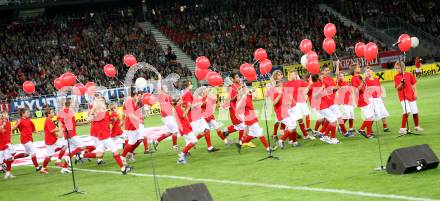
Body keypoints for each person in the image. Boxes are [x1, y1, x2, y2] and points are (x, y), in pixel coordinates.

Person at [82, 96, 133, 174]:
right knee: (115, 151)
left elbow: (110, 121)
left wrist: (113, 119)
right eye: (102, 102)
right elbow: (88, 119)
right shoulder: (97, 114)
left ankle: (82, 155)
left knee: (99, 154)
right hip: (104, 136)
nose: (104, 103)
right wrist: (94, 109)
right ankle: (123, 169)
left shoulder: (105, 112)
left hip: (103, 136)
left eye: (103, 101)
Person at [182, 80, 219, 153]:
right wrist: (200, 103)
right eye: (191, 84)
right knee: (193, 136)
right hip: (194, 117)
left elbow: (185, 105)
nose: (192, 85)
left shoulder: (185, 94)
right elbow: (190, 106)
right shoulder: (188, 94)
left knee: (206, 129)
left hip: (198, 116)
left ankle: (210, 148)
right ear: (187, 86)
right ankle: (186, 151)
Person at [269, 70, 300, 149]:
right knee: (292, 126)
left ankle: (294, 142)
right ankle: (281, 141)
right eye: (279, 75)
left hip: (287, 109)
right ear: (275, 77)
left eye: (281, 74)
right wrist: (280, 94)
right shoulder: (273, 89)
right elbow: (274, 102)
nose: (281, 76)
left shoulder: (283, 85)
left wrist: (292, 102)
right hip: (281, 111)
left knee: (293, 125)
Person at [235, 86, 271, 152]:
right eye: (245, 89)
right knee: (260, 133)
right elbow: (237, 107)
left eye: (246, 89)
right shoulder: (242, 99)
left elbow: (255, 96)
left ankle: (240, 143)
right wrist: (243, 97)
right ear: (243, 91)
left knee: (252, 135)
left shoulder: (248, 96)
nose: (247, 90)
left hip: (252, 116)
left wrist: (254, 90)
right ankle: (268, 148)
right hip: (249, 117)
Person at [310, 73, 340, 144]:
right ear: (317, 77)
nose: (322, 76)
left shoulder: (321, 83)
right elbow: (314, 95)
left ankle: (325, 135)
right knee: (333, 120)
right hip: (321, 106)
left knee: (331, 120)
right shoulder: (314, 84)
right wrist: (321, 88)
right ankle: (332, 138)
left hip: (325, 105)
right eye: (320, 75)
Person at [394, 61, 424, 134]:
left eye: (398, 68)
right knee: (407, 111)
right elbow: (397, 88)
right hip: (403, 96)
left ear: (403, 67)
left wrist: (415, 93)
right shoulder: (396, 76)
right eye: (396, 68)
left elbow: (413, 85)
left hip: (411, 95)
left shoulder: (409, 74)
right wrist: (401, 83)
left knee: (415, 111)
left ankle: (417, 126)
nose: (397, 70)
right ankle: (402, 128)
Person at [151, 82, 179, 152]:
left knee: (170, 132)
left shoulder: (168, 96)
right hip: (166, 117)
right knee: (175, 131)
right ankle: (175, 146)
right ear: (162, 89)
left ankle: (156, 141)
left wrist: (176, 102)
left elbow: (173, 104)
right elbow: (158, 88)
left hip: (169, 116)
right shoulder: (161, 96)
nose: (167, 88)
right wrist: (159, 79)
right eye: (165, 88)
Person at [41, 108, 70, 174]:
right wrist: (59, 128)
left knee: (65, 146)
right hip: (50, 140)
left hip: (53, 138)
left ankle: (58, 161)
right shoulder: (48, 121)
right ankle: (43, 168)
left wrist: (58, 133)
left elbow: (52, 131)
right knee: (49, 156)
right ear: (48, 114)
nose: (53, 113)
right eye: (52, 112)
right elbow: (51, 130)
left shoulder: (49, 120)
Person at [351, 64, 375, 138]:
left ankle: (362, 129)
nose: (359, 68)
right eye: (358, 67)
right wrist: (363, 81)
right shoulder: (354, 78)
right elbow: (356, 90)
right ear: (354, 70)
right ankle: (368, 133)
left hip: (365, 97)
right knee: (369, 116)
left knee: (371, 116)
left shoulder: (359, 77)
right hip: (361, 99)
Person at [173, 97, 198, 164]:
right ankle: (181, 156)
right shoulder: (177, 108)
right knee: (194, 141)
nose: (182, 100)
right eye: (180, 100)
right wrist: (188, 107)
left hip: (185, 127)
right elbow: (183, 116)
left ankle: (182, 158)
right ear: (178, 102)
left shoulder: (178, 108)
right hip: (184, 128)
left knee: (189, 143)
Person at [364, 67, 390, 132]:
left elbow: (379, 88)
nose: (368, 72)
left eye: (369, 71)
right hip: (371, 99)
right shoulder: (365, 80)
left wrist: (381, 97)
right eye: (366, 71)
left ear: (372, 71)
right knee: (372, 114)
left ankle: (385, 127)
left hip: (378, 98)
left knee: (383, 112)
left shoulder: (376, 79)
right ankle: (370, 129)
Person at [223, 73, 247, 142]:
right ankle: (241, 141)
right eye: (236, 77)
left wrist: (244, 88)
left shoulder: (240, 85)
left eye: (238, 77)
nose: (238, 78)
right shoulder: (232, 87)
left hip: (242, 107)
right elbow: (231, 99)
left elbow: (244, 94)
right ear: (232, 79)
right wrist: (237, 94)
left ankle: (226, 131)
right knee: (242, 125)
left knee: (240, 125)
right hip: (234, 108)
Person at [335, 71, 355, 136]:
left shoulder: (346, 83)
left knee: (352, 115)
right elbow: (339, 89)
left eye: (342, 75)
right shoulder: (338, 83)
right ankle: (341, 127)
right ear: (338, 77)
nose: (341, 77)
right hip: (343, 101)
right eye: (340, 76)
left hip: (349, 100)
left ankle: (351, 128)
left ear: (344, 76)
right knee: (346, 115)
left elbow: (350, 92)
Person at [0, 112, 15, 179]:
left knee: (9, 158)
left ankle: (8, 173)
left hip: (5, 144)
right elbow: (1, 130)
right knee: (2, 161)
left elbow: (8, 130)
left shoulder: (7, 123)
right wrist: (2, 125)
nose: (7, 115)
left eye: (7, 114)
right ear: (2, 116)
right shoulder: (2, 122)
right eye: (5, 114)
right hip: (1, 145)